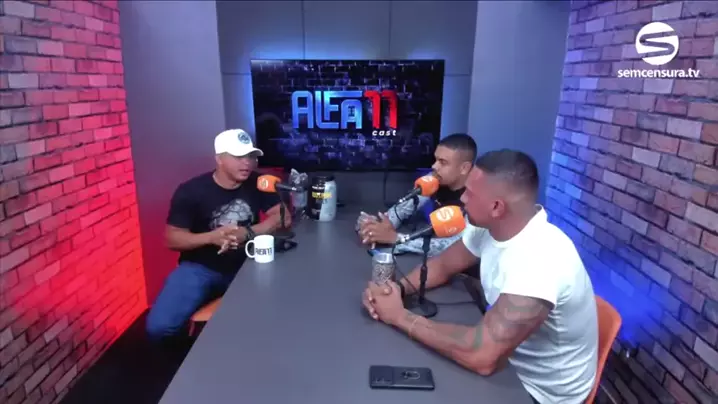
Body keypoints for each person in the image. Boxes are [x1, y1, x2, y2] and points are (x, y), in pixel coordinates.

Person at [362, 149, 598, 404]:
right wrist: (396, 290)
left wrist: (398, 316)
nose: (462, 198)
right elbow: (443, 265)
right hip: (506, 360)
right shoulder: (489, 227)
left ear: (496, 207)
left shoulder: (540, 260)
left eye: (470, 194)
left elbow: (482, 356)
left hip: (537, 393)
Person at [146, 129, 290, 341]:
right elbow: (172, 238)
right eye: (238, 156)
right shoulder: (191, 191)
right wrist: (212, 237)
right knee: (159, 327)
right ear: (219, 159)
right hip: (201, 268)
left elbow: (283, 217)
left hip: (248, 263)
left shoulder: (258, 182)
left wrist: (248, 232)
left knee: (274, 320)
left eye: (250, 156)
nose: (247, 162)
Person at [357, 133, 477, 257]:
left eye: (443, 162)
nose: (434, 166)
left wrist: (396, 238)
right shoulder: (434, 179)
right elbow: (402, 210)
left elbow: (456, 246)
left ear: (464, 168)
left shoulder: (478, 198)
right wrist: (376, 228)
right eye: (436, 160)